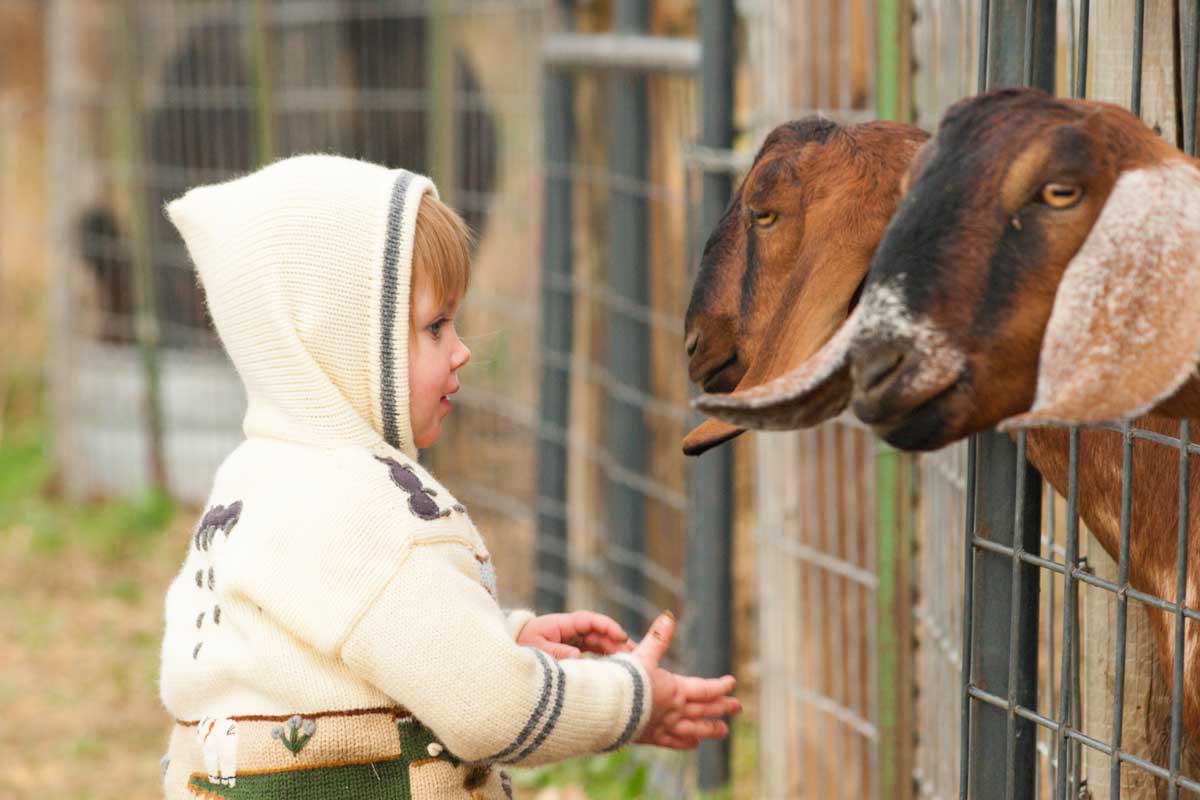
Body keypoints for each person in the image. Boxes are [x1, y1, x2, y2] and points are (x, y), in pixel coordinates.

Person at [157, 154, 740, 798]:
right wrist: (630, 699)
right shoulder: (350, 507)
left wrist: (503, 639)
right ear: (340, 339)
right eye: (434, 327)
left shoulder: (257, 481)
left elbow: (340, 658)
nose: (461, 349)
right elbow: (489, 710)